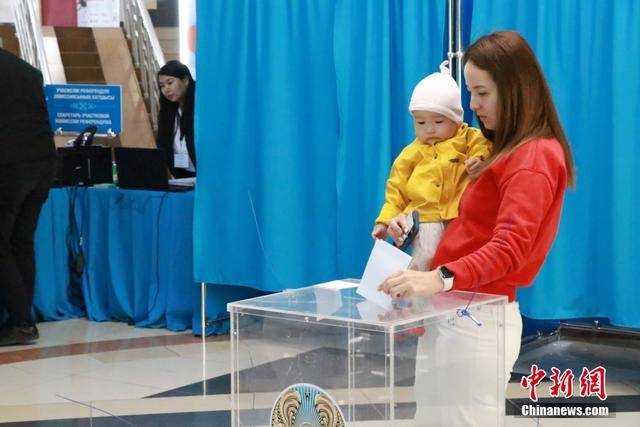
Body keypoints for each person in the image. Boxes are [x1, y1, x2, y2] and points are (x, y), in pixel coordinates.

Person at [379, 31, 575, 425]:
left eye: (482, 93)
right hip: (454, 307)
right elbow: (465, 225)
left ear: (514, 88)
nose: (472, 105)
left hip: (477, 315)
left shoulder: (534, 157)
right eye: (470, 92)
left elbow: (509, 248)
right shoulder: (501, 151)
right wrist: (412, 224)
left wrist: (439, 277)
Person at [372, 61, 491, 271]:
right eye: (420, 122)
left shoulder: (468, 138)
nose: (429, 129)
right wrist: (384, 221)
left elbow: (484, 146)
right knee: (426, 257)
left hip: (459, 217)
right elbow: (396, 192)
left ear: (456, 119)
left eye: (438, 122)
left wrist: (479, 160)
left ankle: (448, 286)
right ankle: (413, 284)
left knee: (462, 261)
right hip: (425, 219)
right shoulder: (410, 154)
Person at [0, 48, 57, 346]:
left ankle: (22, 322)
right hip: (43, 164)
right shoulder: (27, 71)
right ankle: (21, 321)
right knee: (21, 242)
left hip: (9, 168)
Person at [156, 60, 196, 178]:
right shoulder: (168, 112)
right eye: (162, 86)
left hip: (206, 177)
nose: (166, 89)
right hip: (181, 177)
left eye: (170, 83)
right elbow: (163, 145)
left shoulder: (200, 108)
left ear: (185, 80)